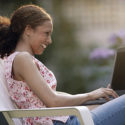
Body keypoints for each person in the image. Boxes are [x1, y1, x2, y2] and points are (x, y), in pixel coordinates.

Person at [0, 4, 125, 125]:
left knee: (115, 100)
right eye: (46, 33)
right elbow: (53, 101)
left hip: (65, 119)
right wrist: (91, 95)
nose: (49, 40)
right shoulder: (22, 58)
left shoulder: (22, 59)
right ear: (28, 30)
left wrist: (99, 96)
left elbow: (55, 97)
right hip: (63, 122)